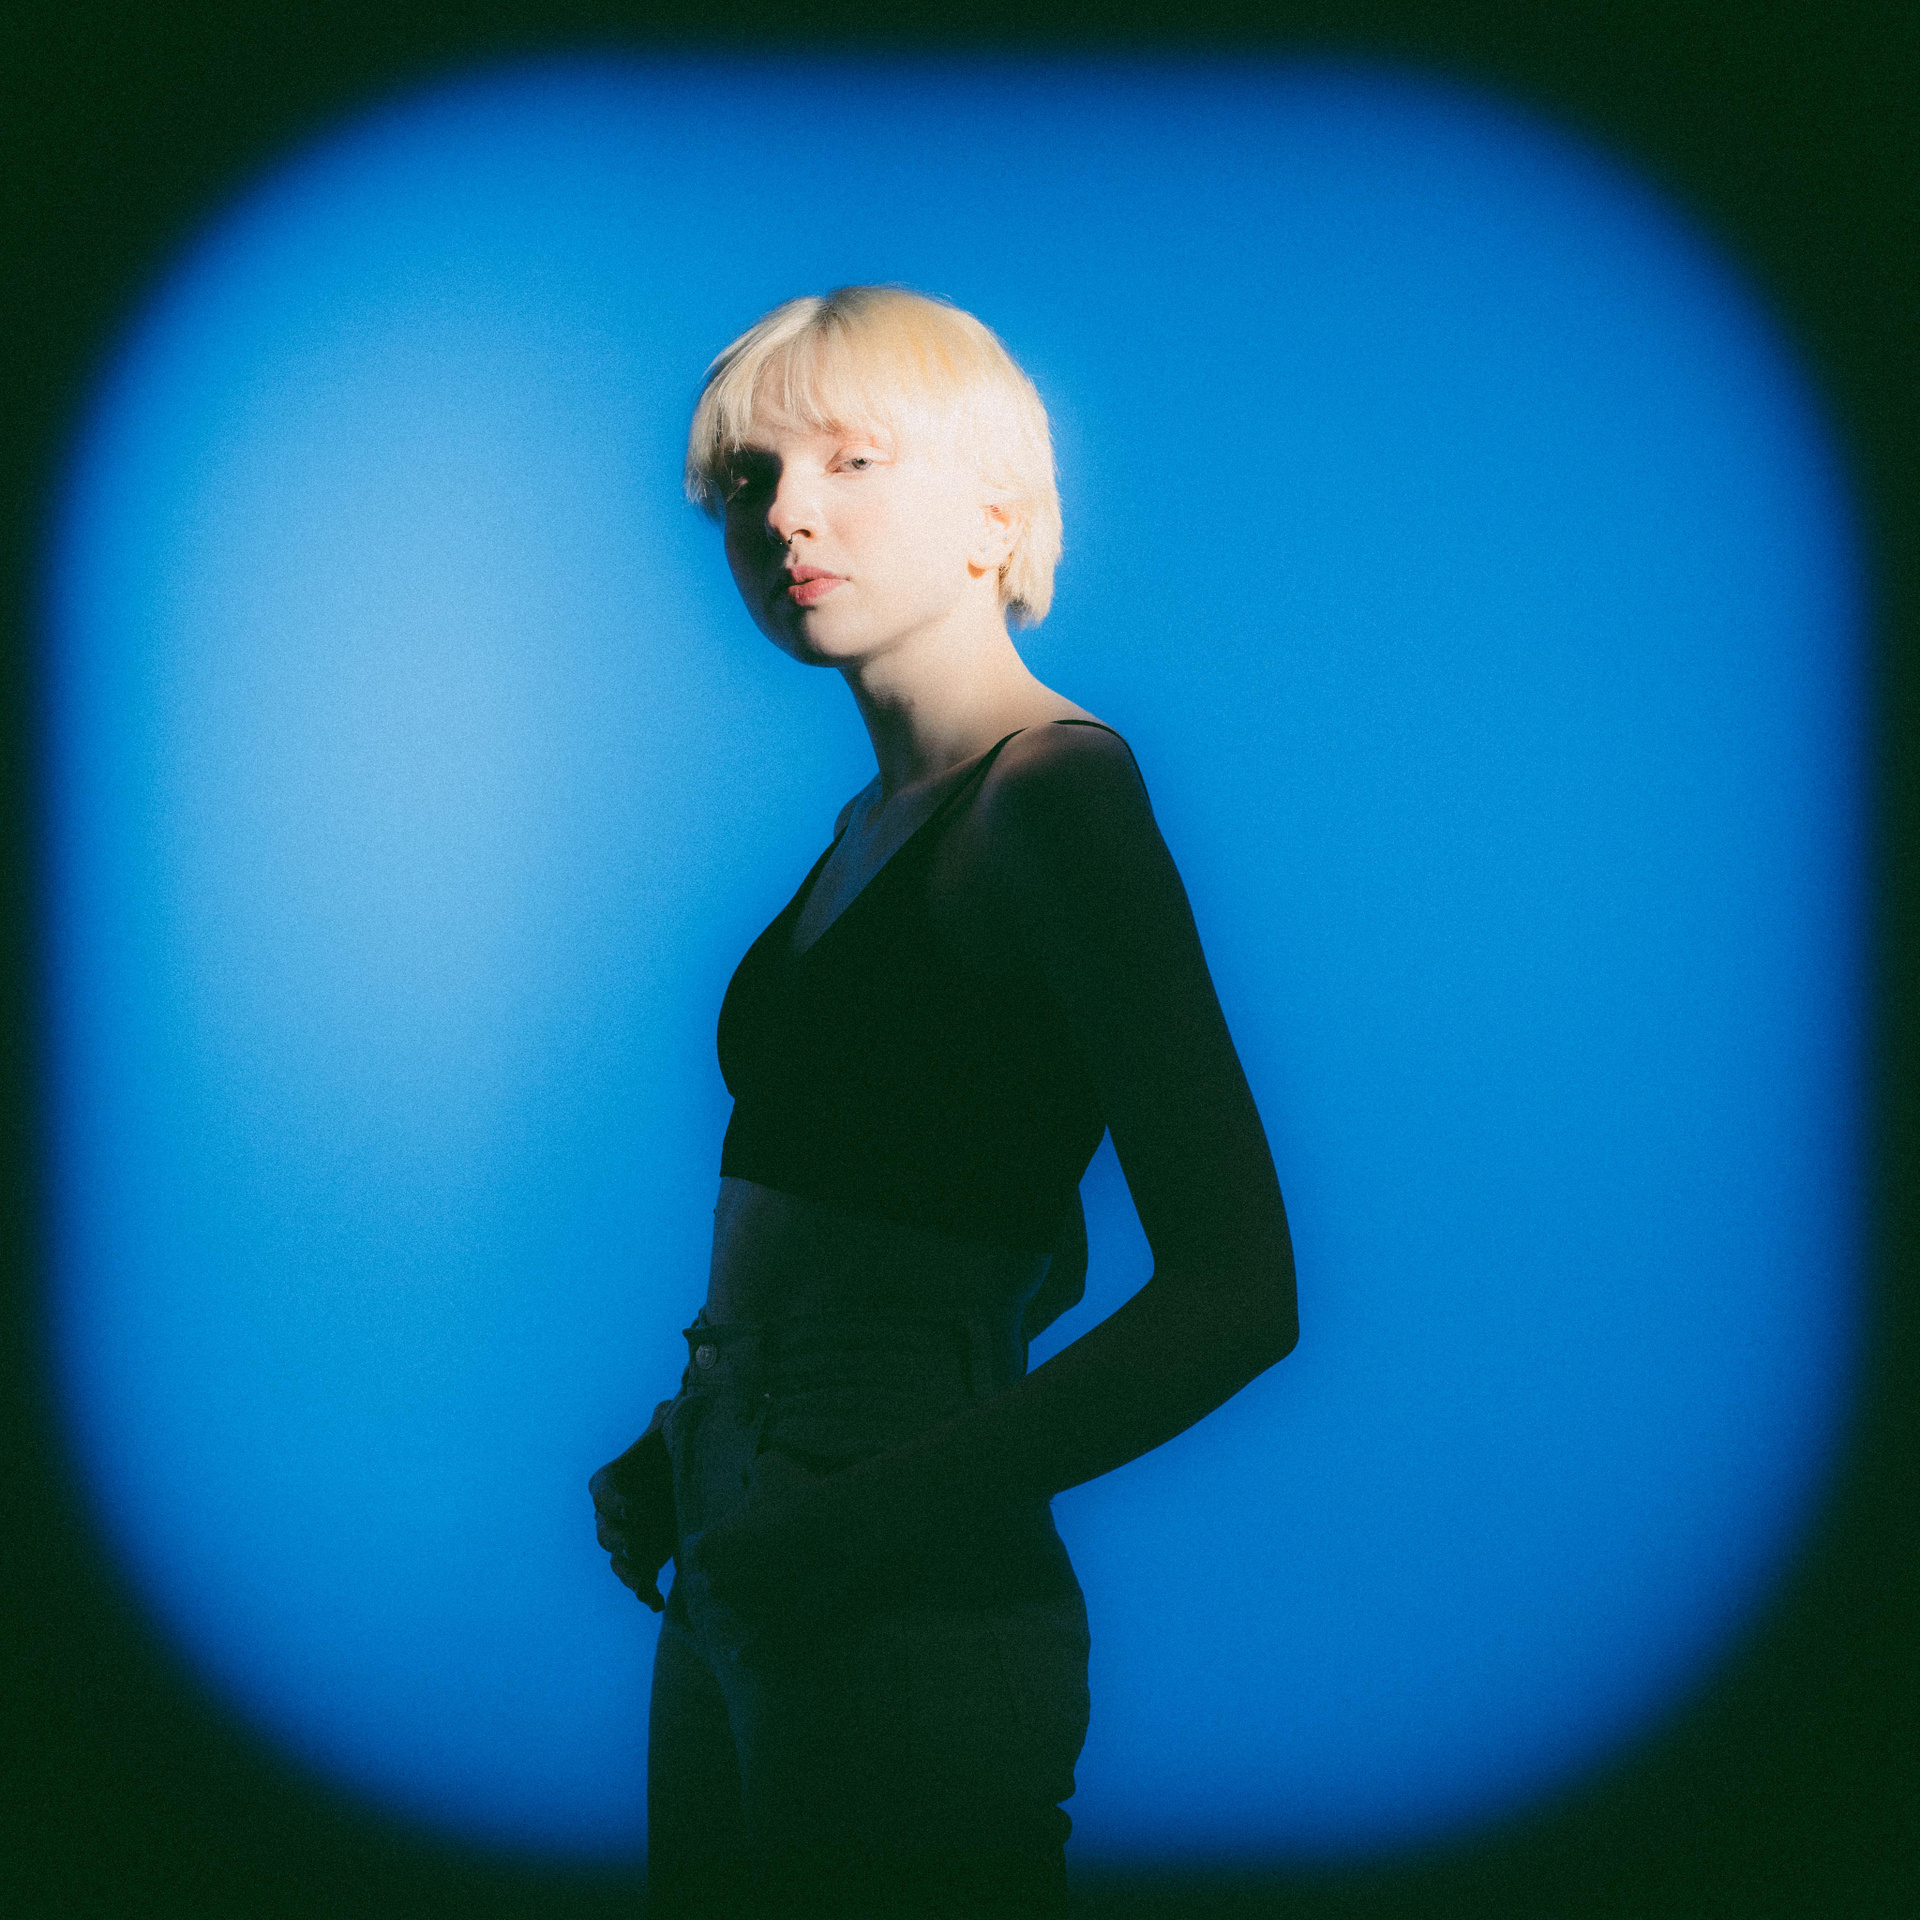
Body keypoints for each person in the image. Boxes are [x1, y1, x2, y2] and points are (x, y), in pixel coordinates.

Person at [588, 285, 1297, 1919]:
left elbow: (1240, 1292)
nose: (788, 514)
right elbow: (989, 1220)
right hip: (747, 1535)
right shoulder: (868, 827)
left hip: (885, 1577)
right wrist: (693, 1432)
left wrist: (846, 1523)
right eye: (752, 479)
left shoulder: (1053, 793)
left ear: (996, 514)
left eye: (851, 460)